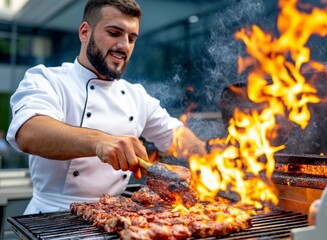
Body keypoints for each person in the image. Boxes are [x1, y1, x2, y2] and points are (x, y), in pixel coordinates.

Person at [6, 0, 206, 214]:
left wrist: (212, 158)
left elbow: (176, 135)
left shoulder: (136, 96)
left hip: (115, 218)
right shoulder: (47, 79)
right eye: (114, 33)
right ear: (84, 32)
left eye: (131, 38)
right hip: (50, 216)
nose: (124, 46)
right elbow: (29, 132)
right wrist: (100, 141)